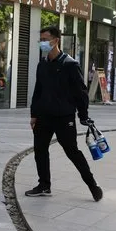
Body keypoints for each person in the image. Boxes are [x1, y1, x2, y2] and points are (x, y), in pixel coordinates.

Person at [25, 26, 103, 201]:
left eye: (45, 39)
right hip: (44, 117)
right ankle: (44, 185)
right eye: (41, 39)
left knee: (72, 151)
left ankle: (92, 185)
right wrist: (34, 114)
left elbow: (81, 93)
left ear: (56, 40)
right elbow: (38, 91)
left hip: (64, 118)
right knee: (40, 150)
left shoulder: (70, 64)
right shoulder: (42, 65)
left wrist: (83, 116)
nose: (42, 43)